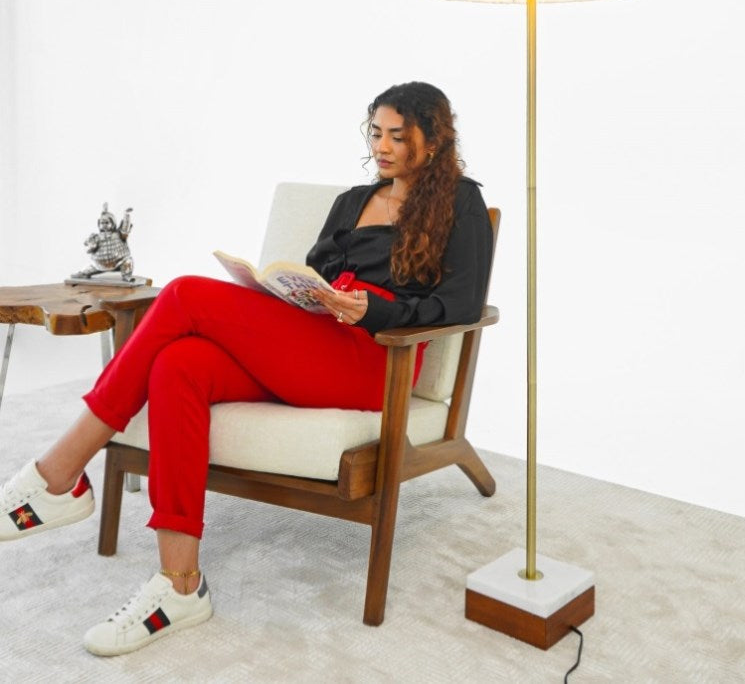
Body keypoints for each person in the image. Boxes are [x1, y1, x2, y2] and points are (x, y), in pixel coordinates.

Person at [0, 81, 493, 656]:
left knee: (184, 294)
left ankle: (60, 471)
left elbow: (461, 305)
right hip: (313, 342)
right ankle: (180, 585)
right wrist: (298, 293)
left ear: (433, 140)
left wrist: (373, 309)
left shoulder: (461, 203)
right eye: (376, 133)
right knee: (179, 364)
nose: (382, 147)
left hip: (373, 357)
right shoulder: (353, 200)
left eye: (398, 137)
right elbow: (314, 272)